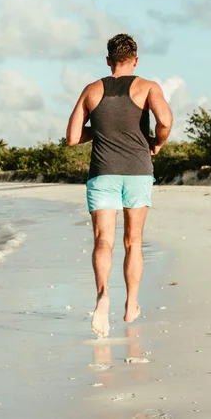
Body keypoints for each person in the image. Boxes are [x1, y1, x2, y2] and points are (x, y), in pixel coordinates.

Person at [65, 33, 173, 338]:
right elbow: (165, 120)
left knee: (103, 242)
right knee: (133, 241)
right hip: (138, 172)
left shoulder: (92, 89)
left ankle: (102, 297)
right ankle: (131, 303)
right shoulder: (148, 87)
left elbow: (72, 137)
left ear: (108, 60)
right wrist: (157, 142)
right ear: (135, 60)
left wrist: (99, 132)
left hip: (103, 173)